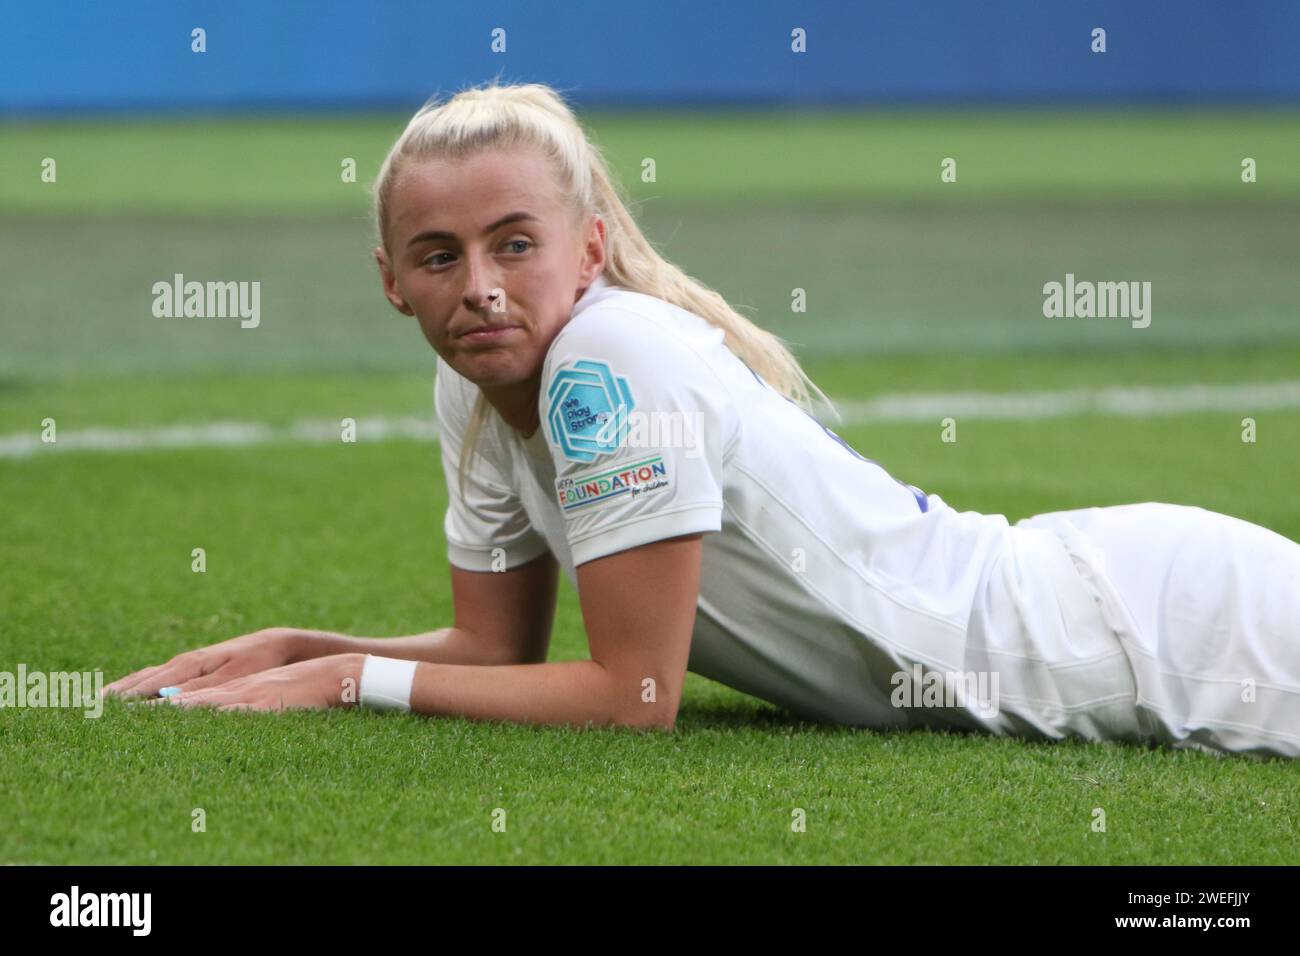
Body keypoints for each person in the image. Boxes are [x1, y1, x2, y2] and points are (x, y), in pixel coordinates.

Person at [103, 82, 1300, 760]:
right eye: (439, 254)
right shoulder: (472, 379)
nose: (478, 284)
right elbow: (497, 655)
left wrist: (345, 685)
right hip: (1108, 603)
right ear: (390, 280)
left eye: (514, 244)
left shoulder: (606, 361)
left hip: (1147, 631)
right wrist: (297, 647)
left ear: (586, 250)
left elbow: (633, 695)